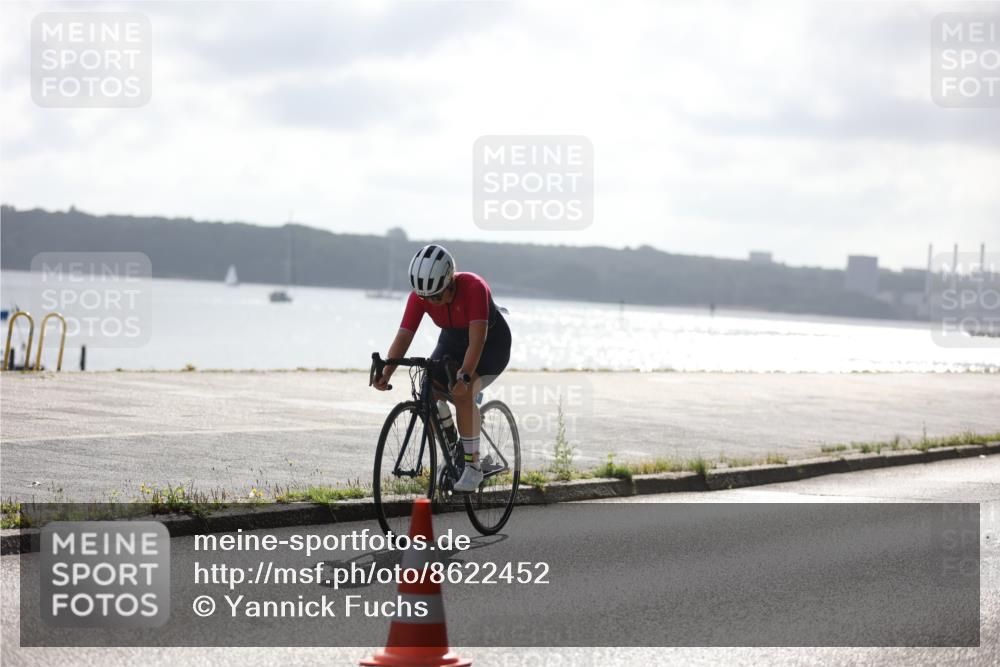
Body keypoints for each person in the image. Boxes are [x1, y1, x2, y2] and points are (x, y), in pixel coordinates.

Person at [373, 244, 511, 492]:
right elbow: (404, 336)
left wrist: (465, 377)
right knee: (431, 389)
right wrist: (387, 371)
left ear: (450, 283)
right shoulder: (421, 295)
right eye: (426, 298)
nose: (431, 302)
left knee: (463, 394)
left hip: (490, 345)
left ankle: (473, 467)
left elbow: (477, 341)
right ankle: (454, 447)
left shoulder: (474, 287)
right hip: (452, 340)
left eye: (436, 296)